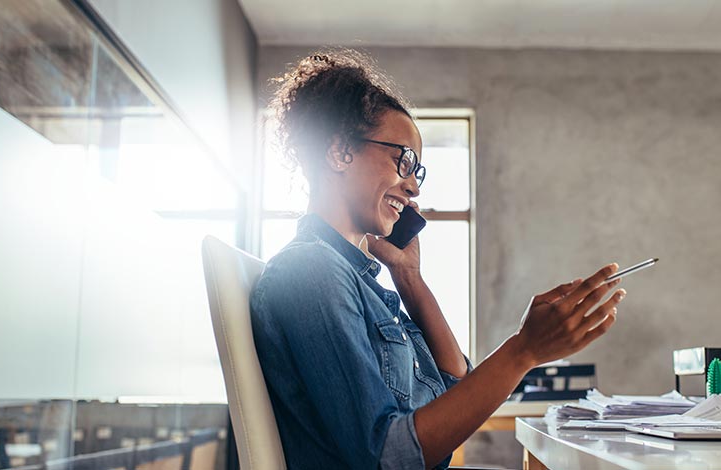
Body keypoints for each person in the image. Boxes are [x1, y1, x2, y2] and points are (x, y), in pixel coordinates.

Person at [250, 49, 626, 470]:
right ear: (339, 152)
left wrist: (410, 279)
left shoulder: (360, 282)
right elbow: (385, 456)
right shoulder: (311, 273)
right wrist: (523, 350)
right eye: (403, 161)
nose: (413, 188)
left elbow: (455, 391)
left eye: (418, 172)